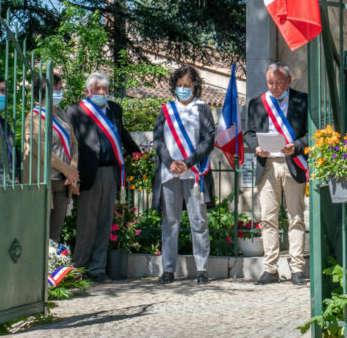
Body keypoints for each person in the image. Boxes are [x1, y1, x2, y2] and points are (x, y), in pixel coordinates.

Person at [65, 72, 140, 282]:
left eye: (105, 89)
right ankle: (79, 268)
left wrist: (135, 151)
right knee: (86, 223)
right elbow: (70, 144)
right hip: (88, 173)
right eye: (97, 89)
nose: (102, 93)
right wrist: (74, 177)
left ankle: (98, 269)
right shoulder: (74, 111)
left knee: (105, 222)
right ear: (87, 91)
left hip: (110, 171)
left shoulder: (114, 109)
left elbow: (121, 133)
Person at [244, 62, 309, 285]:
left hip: (292, 162)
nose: (274, 87)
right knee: (268, 218)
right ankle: (270, 268)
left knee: (296, 217)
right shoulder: (256, 103)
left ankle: (297, 268)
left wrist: (297, 146)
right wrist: (256, 147)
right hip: (267, 165)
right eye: (271, 83)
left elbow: (312, 134)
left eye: (279, 83)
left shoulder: (302, 100)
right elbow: (249, 133)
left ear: (289, 81)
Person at [151, 66, 216, 285]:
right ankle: (168, 269)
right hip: (169, 173)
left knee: (198, 221)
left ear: (195, 87)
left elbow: (208, 139)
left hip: (194, 172)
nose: (182, 89)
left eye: (187, 86)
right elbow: (158, 140)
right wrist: (170, 162)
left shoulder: (202, 108)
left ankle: (202, 268)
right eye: (179, 86)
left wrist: (188, 162)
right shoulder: (166, 110)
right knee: (170, 222)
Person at [23, 73, 80, 245]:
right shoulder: (33, 117)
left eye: (59, 88)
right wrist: (67, 169)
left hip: (63, 182)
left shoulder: (61, 114)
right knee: (40, 232)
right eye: (55, 89)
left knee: (55, 234)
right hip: (43, 181)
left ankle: (53, 269)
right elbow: (39, 149)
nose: (59, 92)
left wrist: (73, 170)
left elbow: (74, 143)